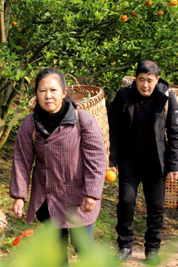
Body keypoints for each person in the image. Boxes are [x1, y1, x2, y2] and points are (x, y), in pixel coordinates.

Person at [10, 68, 106, 265]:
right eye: (42, 91)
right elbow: (22, 159)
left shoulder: (82, 121)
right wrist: (19, 195)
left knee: (83, 245)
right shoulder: (30, 124)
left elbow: (96, 158)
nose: (48, 96)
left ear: (64, 92)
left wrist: (92, 192)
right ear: (36, 95)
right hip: (48, 196)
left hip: (77, 196)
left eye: (53, 90)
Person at [108, 60, 178, 265]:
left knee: (156, 207)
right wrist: (111, 161)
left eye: (150, 80)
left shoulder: (167, 98)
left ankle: (152, 249)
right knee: (126, 201)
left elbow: (175, 134)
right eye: (141, 80)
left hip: (155, 161)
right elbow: (113, 130)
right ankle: (124, 246)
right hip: (129, 159)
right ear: (135, 79)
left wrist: (175, 165)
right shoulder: (124, 96)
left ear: (157, 79)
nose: (145, 85)